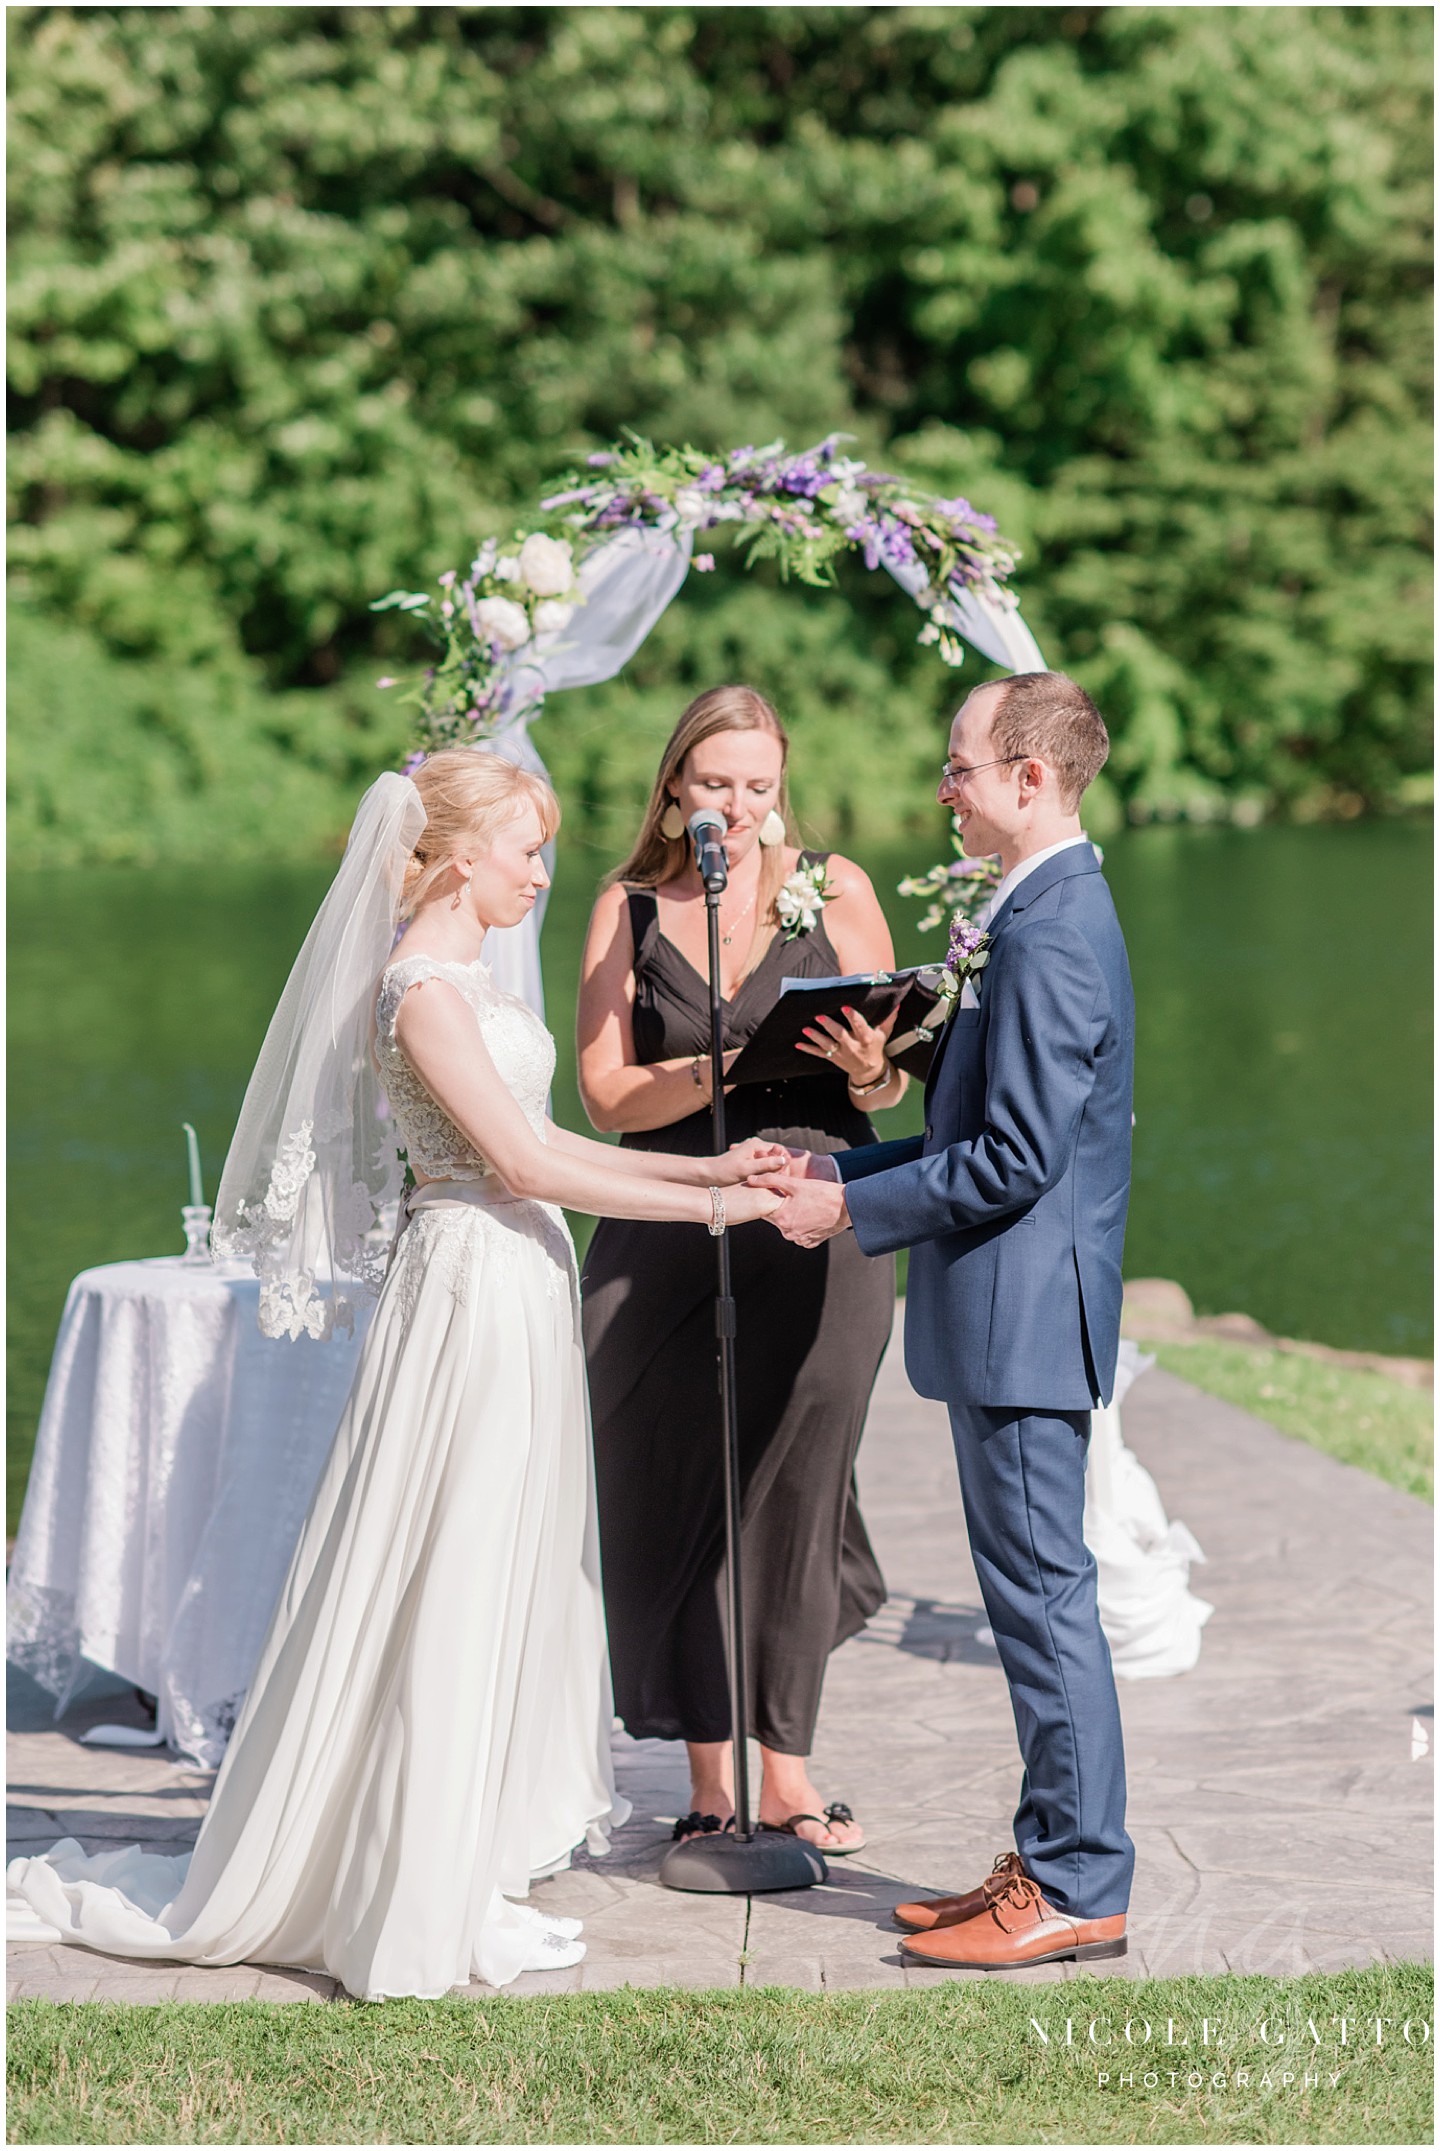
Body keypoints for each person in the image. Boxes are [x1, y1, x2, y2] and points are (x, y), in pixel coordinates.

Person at [6, 751, 781, 2000]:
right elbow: (523, 1165)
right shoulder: (419, 990)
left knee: (509, 1560)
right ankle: (408, 1882)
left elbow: (550, 1147)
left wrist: (718, 1177)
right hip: (468, 1289)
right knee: (453, 1565)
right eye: (529, 851)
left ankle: (461, 1854)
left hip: (515, 1281)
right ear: (461, 857)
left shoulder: (464, 977)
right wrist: (718, 1204)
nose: (543, 873)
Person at [758, 671, 1136, 1969]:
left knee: (1044, 1601)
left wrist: (847, 1216)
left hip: (1028, 1318)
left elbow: (1016, 1158)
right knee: (1032, 1600)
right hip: (1009, 1314)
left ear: (1033, 778)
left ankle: (1081, 1881)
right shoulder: (1031, 907)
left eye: (962, 763)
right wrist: (841, 1172)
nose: (945, 784)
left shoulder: (1053, 926)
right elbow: (974, 1131)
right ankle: (1047, 1855)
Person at [577, 684, 909, 1856]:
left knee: (795, 1486)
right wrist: (722, 1066)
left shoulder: (839, 887)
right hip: (667, 1218)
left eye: (758, 785)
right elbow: (607, 1093)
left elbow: (891, 1075)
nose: (738, 805)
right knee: (674, 1487)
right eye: (715, 783)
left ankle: (790, 1779)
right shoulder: (625, 908)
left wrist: (873, 1072)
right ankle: (708, 1782)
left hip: (820, 1220)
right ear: (675, 788)